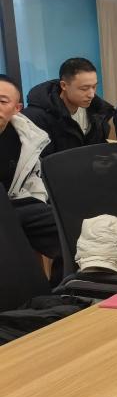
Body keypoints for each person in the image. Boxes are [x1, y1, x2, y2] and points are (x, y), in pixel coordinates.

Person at [0, 74, 60, 266]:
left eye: (2, 101)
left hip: (18, 204)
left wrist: (38, 199)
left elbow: (34, 177)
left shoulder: (28, 138)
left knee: (68, 228)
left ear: (17, 109)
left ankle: (68, 281)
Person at [24, 57, 114, 153]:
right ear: (64, 85)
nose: (91, 94)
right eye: (84, 88)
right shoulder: (36, 118)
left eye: (94, 87)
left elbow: (97, 150)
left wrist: (113, 148)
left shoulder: (98, 111)